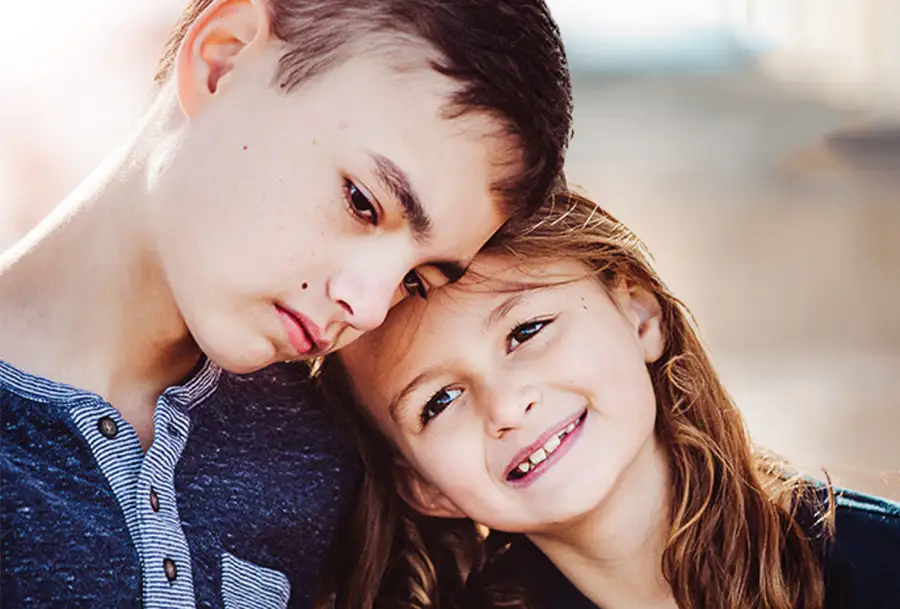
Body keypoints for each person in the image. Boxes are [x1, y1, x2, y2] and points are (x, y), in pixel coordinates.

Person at [0, 1, 573, 606]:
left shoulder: (352, 451)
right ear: (221, 61)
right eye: (362, 202)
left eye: (415, 279)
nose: (370, 307)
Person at [326, 190, 900, 609]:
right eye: (440, 400)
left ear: (639, 314)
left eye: (526, 332)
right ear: (420, 483)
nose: (504, 407)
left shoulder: (879, 564)